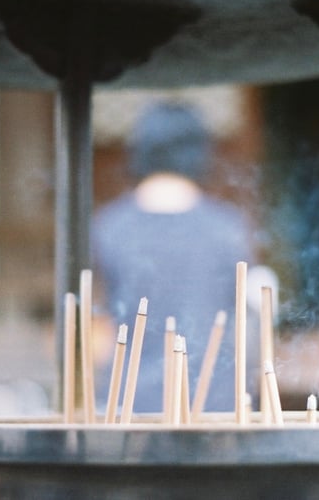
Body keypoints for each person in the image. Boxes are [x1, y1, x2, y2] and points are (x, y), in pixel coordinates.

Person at [92, 101, 256, 413]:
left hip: (128, 404)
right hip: (213, 405)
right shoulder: (228, 228)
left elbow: (95, 334)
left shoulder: (109, 226)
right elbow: (247, 325)